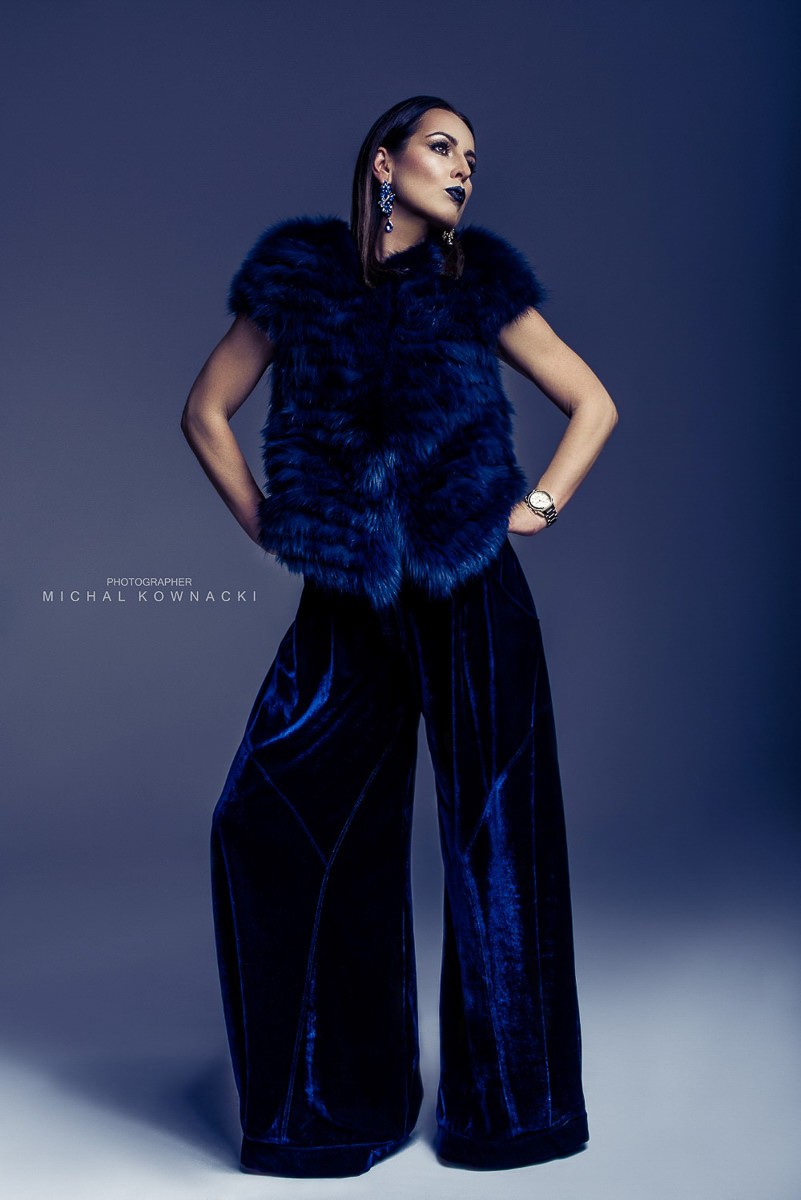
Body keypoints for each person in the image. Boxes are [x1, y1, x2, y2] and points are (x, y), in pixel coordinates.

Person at [181, 94, 618, 1179]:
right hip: (348, 601)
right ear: (384, 164)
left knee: (499, 847)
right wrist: (273, 521)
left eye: (471, 156)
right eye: (440, 146)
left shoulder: (479, 283)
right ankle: (335, 1107)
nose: (462, 168)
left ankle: (511, 1115)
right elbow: (205, 411)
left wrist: (537, 505)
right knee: (266, 819)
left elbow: (592, 403)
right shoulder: (300, 278)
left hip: (472, 591)